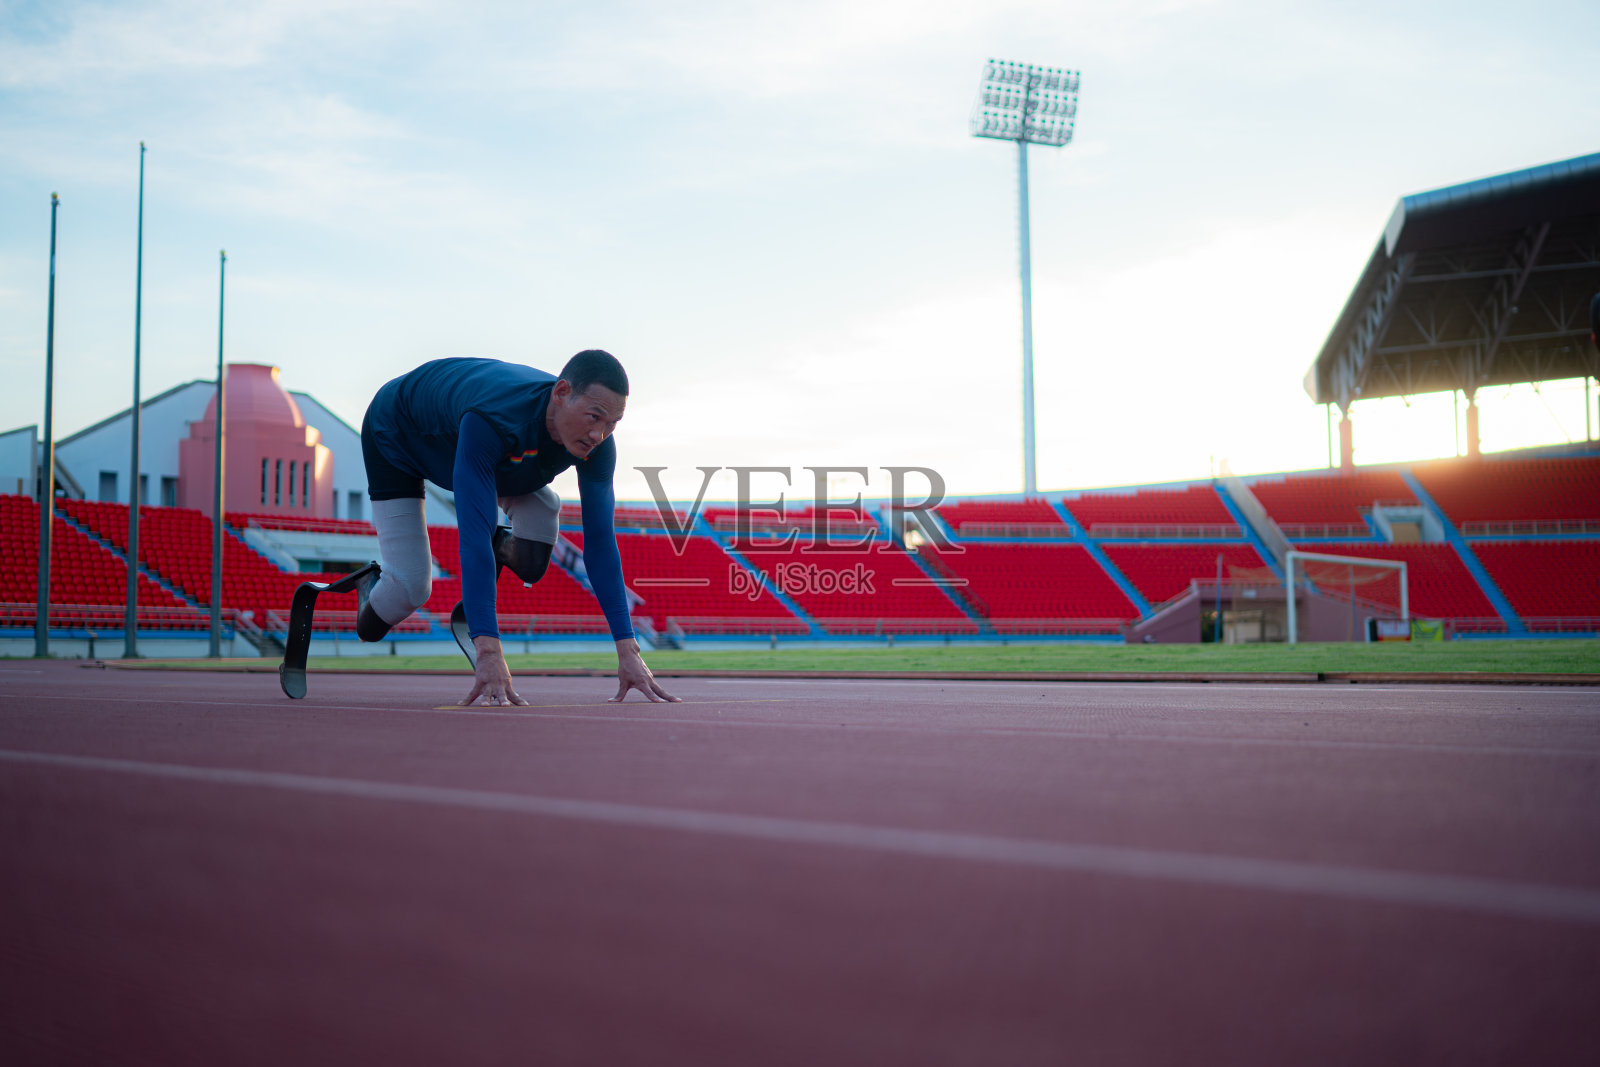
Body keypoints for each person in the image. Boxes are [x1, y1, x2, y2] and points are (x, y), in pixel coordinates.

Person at [357, 350, 679, 706]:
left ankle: (502, 552)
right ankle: (367, 587)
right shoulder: (493, 420)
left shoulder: (596, 444)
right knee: (406, 592)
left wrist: (628, 649)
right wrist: (488, 651)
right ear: (560, 394)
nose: (598, 434)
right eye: (594, 417)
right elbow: (474, 536)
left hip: (487, 449)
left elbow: (601, 543)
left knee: (536, 548)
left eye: (612, 424)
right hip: (397, 435)